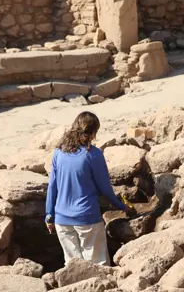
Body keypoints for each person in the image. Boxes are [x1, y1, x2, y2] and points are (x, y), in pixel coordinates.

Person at [45, 112, 135, 266]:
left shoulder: (58, 152)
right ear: (92, 134)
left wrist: (49, 215)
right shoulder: (93, 154)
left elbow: (52, 186)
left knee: (73, 267)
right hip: (87, 219)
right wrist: (122, 206)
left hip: (62, 221)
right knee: (98, 267)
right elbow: (105, 188)